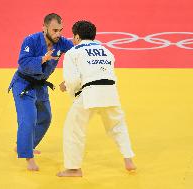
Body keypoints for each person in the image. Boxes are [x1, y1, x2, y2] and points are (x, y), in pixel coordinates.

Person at [57, 20, 136, 177]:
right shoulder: (106, 51)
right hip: (110, 92)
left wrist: (68, 88)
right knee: (118, 125)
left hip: (89, 94)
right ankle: (128, 159)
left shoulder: (73, 52)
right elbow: (103, 73)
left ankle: (74, 168)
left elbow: (73, 81)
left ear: (77, 36)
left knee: (73, 129)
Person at [8, 13, 74, 171]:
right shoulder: (30, 40)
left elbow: (77, 55)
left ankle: (25, 145)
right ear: (44, 28)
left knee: (45, 117)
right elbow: (23, 63)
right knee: (28, 119)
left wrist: (70, 79)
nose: (58, 34)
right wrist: (42, 60)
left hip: (40, 85)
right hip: (23, 83)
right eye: (54, 30)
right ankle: (27, 155)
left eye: (60, 30)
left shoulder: (62, 43)